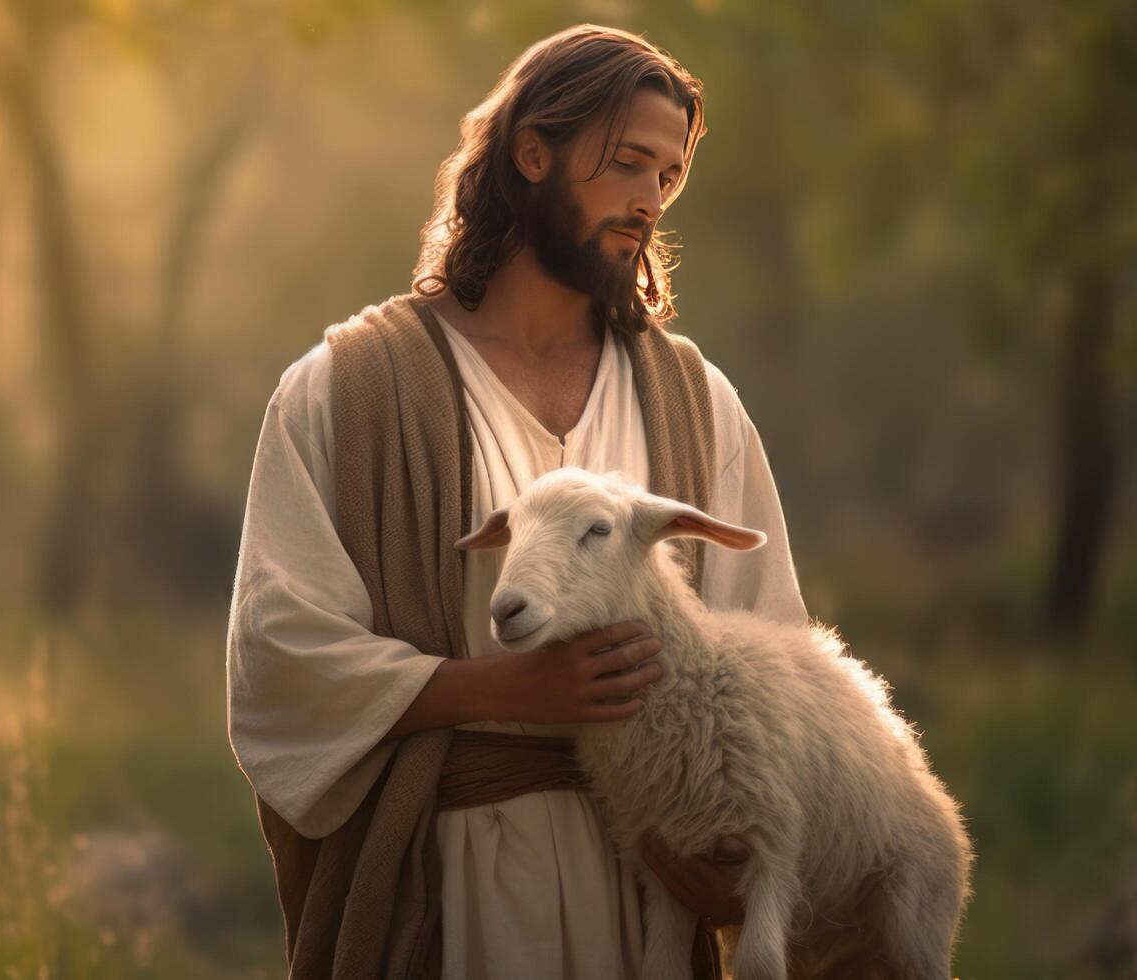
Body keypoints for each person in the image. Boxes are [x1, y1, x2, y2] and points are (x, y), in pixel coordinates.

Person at [226, 24, 809, 980]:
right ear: (532, 153)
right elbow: (279, 655)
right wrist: (495, 689)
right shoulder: (348, 391)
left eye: (667, 178)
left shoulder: (697, 404)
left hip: (651, 897)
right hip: (453, 891)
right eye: (626, 164)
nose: (647, 201)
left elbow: (773, 652)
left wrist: (734, 872)